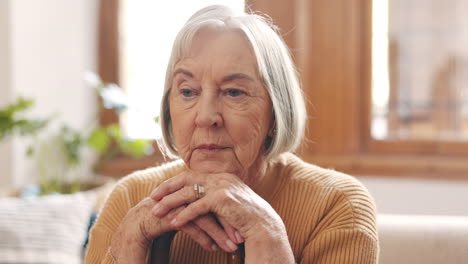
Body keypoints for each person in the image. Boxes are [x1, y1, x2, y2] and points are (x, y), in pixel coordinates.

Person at [85, 5, 379, 264]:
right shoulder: (129, 199)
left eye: (234, 92)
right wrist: (130, 246)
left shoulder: (337, 205)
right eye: (187, 92)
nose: (206, 117)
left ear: (275, 113)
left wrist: (268, 234)